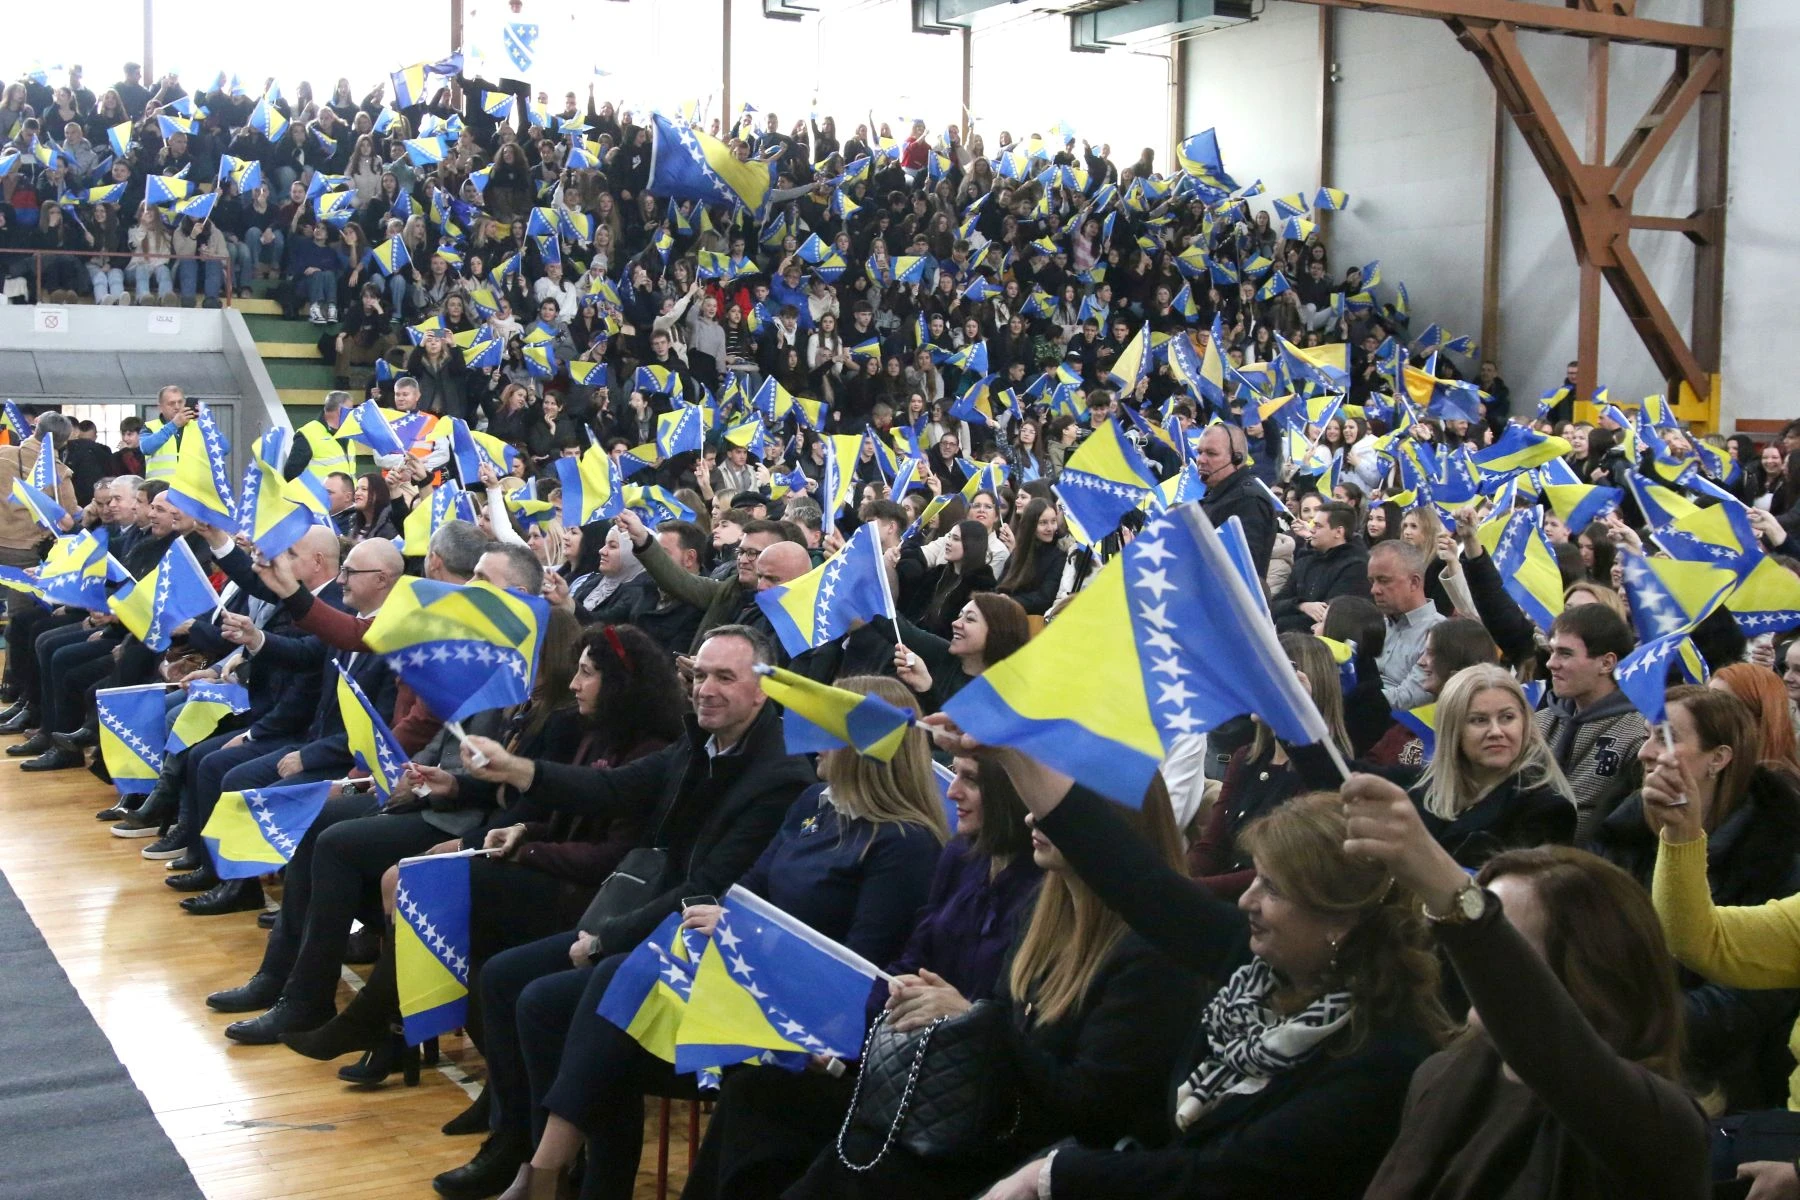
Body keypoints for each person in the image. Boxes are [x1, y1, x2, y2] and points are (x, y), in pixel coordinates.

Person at [499, 677, 948, 1200]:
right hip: (746, 978)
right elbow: (749, 890)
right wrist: (734, 928)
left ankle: (547, 1176)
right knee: (558, 1005)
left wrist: (749, 938)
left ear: (864, 747)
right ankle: (560, 1176)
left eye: (824, 729)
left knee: (611, 1004)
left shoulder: (903, 845)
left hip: (797, 1017)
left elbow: (855, 971)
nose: (810, 740)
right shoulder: (815, 802)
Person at [940, 742, 1449, 1200]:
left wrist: (1054, 1175)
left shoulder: (1380, 1058)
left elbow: (1219, 1177)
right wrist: (1011, 753)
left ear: (1339, 916)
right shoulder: (1262, 967)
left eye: (1273, 888)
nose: (1247, 900)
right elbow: (1134, 879)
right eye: (1255, 879)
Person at [430, 626, 816, 1199]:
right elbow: (611, 790)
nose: (706, 689)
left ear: (763, 690)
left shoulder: (778, 778)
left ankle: (574, 1176)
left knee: (553, 1000)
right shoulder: (700, 743)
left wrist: (608, 938)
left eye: (724, 678)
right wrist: (514, 768)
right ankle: (523, 1147)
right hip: (653, 916)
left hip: (705, 948)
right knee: (507, 977)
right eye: (700, 675)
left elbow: (706, 890)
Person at [789, 774, 1202, 1200]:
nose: (1032, 818)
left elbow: (1092, 1110)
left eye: (1058, 809)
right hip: (993, 1130)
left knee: (861, 1160)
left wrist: (977, 1021)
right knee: (825, 1126)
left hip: (1052, 1164)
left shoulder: (1154, 954)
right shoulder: (1041, 912)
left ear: (1114, 825)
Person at [684, 752, 1043, 1199]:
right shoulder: (962, 856)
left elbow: (1029, 1030)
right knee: (753, 1095)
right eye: (956, 774)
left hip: (969, 1104)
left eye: (970, 780)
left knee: (795, 1134)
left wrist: (968, 1015)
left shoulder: (1038, 886)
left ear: (1011, 790)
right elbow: (907, 963)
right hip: (901, 1069)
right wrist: (839, 1035)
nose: (951, 791)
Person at [1341, 772, 1709, 1198]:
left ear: (1588, 974)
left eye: (1505, 941)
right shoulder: (1442, 1075)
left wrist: (1448, 891)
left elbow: (1555, 1054)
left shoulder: (1662, 1127)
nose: (1474, 962)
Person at [1592, 684, 1800, 1113]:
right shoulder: (1620, 831)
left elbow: (1743, 1000)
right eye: (1647, 736)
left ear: (1718, 759)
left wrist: (1632, 1024)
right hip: (1607, 1042)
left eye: (1665, 737)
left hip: (1716, 1074)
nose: (1645, 753)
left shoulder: (1777, 854)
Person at [1188, 633, 1352, 899]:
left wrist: (1185, 890)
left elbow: (1278, 873)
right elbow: (1211, 849)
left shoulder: (1327, 777)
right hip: (1216, 898)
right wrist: (1175, 878)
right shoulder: (1246, 758)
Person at [1413, 664, 1576, 869]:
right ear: (1453, 730)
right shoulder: (1422, 793)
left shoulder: (1548, 810)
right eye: (1479, 720)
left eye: (1507, 717)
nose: (1496, 732)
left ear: (1524, 724)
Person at [1537, 604, 1650, 841]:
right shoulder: (1539, 722)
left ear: (1606, 663)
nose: (1551, 663)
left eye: (1565, 654)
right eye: (1552, 651)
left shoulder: (1639, 735)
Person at [893, 592, 1030, 713]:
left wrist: (927, 688)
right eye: (960, 616)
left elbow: (953, 732)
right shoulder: (945, 654)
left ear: (998, 632)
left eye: (970, 619)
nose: (955, 623)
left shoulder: (1008, 695)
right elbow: (896, 627)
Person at [1368, 539, 1446, 711]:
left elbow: (1408, 699)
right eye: (1372, 581)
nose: (1374, 590)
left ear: (1414, 582)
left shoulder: (1441, 634)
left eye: (1383, 580)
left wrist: (1349, 696)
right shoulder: (1375, 625)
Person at [1196, 423, 1275, 579]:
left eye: (1211, 453)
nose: (1201, 460)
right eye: (1199, 452)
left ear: (1236, 458)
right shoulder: (1215, 494)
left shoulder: (1249, 500)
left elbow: (1243, 567)